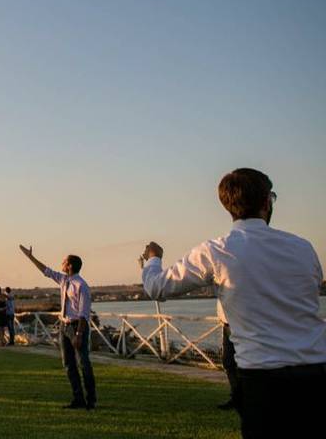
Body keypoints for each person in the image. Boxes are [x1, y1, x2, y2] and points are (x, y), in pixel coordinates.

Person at [139, 168, 326, 438]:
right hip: (316, 370)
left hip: (263, 377)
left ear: (228, 206)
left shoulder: (217, 251)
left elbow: (156, 287)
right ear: (266, 202)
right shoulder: (303, 247)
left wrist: (154, 259)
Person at [19, 245, 96, 410]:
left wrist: (79, 334)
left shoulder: (81, 285)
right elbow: (46, 270)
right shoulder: (64, 280)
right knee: (68, 364)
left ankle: (91, 400)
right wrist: (30, 257)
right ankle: (78, 399)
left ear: (70, 266)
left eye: (64, 261)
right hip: (64, 325)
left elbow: (83, 313)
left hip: (77, 326)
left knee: (84, 363)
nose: (61, 263)